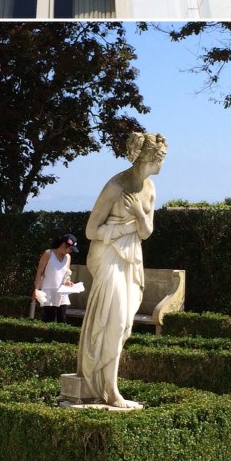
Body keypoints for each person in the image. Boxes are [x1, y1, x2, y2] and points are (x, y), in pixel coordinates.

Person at [75, 132, 167, 408]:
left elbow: (146, 232)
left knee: (125, 322)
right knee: (112, 320)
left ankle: (108, 386)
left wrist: (138, 213)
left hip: (132, 257)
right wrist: (124, 229)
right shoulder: (116, 186)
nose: (163, 164)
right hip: (109, 257)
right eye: (161, 158)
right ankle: (110, 390)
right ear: (148, 158)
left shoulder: (150, 188)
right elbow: (91, 231)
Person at [32, 233, 77, 323]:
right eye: (70, 249)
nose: (70, 251)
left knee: (62, 319)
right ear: (63, 245)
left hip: (62, 292)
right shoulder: (48, 253)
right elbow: (39, 272)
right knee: (48, 319)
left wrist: (68, 281)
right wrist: (36, 289)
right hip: (48, 292)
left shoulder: (68, 257)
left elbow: (66, 274)